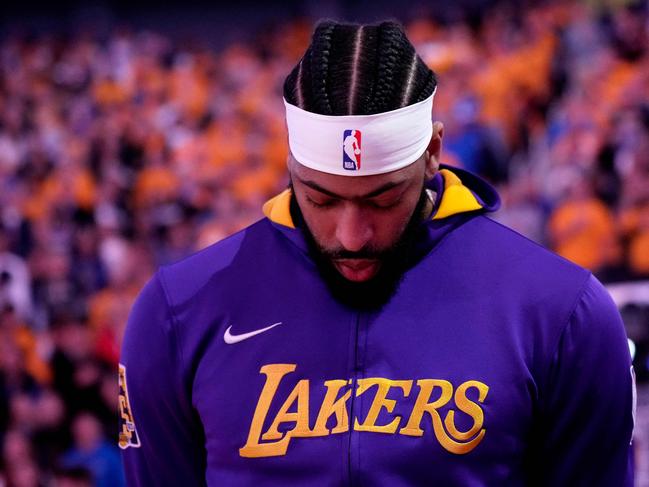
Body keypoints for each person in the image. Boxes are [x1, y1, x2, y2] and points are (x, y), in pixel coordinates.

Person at [119, 20, 635, 485]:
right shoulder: (178, 312)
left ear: (433, 153)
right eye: (321, 198)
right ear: (292, 165)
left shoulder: (561, 312)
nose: (352, 235)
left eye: (383, 198)